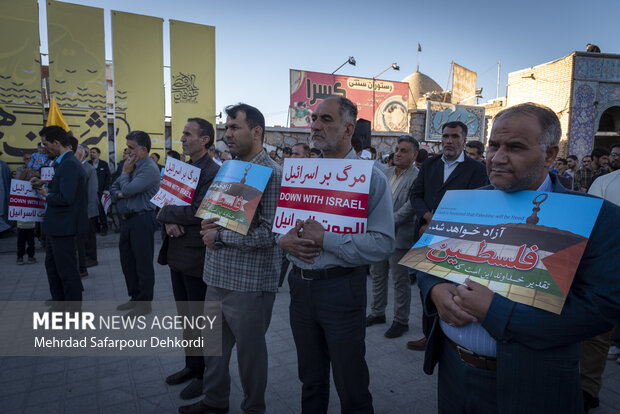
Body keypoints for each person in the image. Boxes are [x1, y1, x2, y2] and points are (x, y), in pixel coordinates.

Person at [418, 102, 620, 414]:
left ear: (550, 155)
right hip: (454, 374)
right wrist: (434, 290)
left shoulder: (596, 217)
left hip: (534, 386)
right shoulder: (462, 204)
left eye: (514, 147)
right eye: (493, 146)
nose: (497, 158)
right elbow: (427, 260)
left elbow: (600, 309)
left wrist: (496, 312)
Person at [279, 96, 395, 414]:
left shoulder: (372, 178)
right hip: (300, 288)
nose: (315, 125)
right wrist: (283, 242)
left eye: (326, 119)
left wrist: (327, 239)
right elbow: (284, 226)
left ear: (348, 128)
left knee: (351, 384)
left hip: (342, 290)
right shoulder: (300, 173)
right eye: (314, 118)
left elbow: (382, 244)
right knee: (311, 380)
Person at [179, 104, 282, 414]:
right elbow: (215, 218)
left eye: (234, 127)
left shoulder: (273, 174)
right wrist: (208, 225)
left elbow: (272, 235)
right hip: (216, 275)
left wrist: (220, 237)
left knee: (250, 356)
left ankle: (254, 407)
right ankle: (214, 402)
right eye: (226, 127)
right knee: (214, 351)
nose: (227, 134)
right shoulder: (228, 168)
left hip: (249, 284)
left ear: (257, 131)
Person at [406, 120, 489, 352]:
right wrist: (425, 215)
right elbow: (416, 194)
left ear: (464, 139)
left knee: (452, 287)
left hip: (458, 242)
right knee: (428, 288)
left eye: (454, 136)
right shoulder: (430, 164)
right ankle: (428, 335)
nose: (449, 141)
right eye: (445, 136)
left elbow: (477, 207)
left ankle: (451, 335)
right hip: (426, 236)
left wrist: (441, 224)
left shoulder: (477, 170)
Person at [157, 118, 219, 400]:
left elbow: (199, 212)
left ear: (205, 140)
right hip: (177, 253)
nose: (181, 138)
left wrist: (167, 215)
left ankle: (207, 376)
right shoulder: (183, 169)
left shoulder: (212, 171)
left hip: (197, 257)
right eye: (182, 134)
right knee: (186, 318)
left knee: (200, 319)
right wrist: (167, 221)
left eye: (187, 134)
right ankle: (191, 366)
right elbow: (163, 202)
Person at [367, 135, 419, 339]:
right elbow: (374, 199)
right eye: (397, 149)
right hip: (378, 236)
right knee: (377, 275)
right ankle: (377, 312)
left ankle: (401, 320)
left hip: (400, 237)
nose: (398, 153)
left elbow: (410, 207)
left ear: (414, 155)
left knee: (400, 281)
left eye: (404, 150)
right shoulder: (384, 172)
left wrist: (384, 222)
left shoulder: (417, 177)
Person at [32, 126, 88, 308]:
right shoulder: (62, 163)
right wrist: (44, 183)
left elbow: (66, 197)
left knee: (66, 270)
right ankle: (59, 302)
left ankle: (72, 311)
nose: (44, 148)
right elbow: (63, 185)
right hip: (56, 226)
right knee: (53, 267)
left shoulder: (70, 164)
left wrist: (47, 194)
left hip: (64, 227)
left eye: (45, 144)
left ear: (56, 143)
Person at [109, 131, 160, 316]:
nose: (127, 151)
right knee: (128, 262)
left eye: (131, 148)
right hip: (127, 220)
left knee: (143, 263)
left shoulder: (149, 169)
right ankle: (135, 297)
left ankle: (145, 304)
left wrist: (124, 176)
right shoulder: (131, 166)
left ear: (143, 149)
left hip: (142, 219)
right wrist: (122, 191)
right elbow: (113, 188)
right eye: (127, 147)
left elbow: (129, 189)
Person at [75, 144, 99, 276]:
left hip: (88, 209)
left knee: (89, 236)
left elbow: (92, 190)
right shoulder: (77, 167)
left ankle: (91, 258)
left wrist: (90, 211)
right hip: (80, 209)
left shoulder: (89, 169)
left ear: (83, 155)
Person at [89, 146, 111, 235]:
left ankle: (104, 228)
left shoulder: (103, 164)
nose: (91, 154)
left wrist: (106, 189)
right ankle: (95, 228)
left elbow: (108, 177)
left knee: (102, 210)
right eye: (91, 152)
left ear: (98, 154)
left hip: (101, 191)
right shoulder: (88, 164)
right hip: (91, 191)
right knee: (93, 210)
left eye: (93, 152)